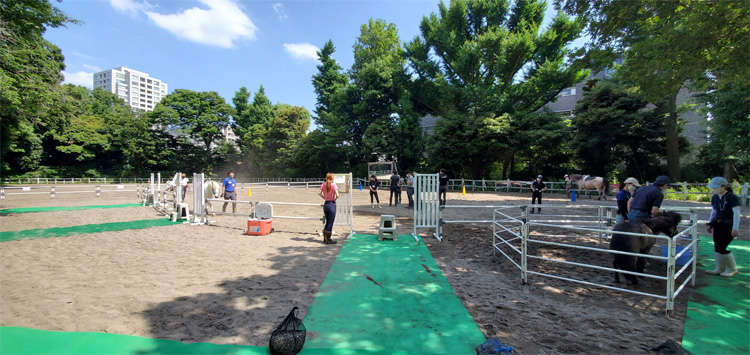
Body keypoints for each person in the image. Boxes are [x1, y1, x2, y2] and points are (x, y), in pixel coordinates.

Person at [705, 177, 740, 277]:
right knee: (717, 246)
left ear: (723, 187)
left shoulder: (732, 197)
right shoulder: (715, 197)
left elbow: (736, 212)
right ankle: (720, 268)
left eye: (715, 187)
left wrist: (735, 227)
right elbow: (714, 211)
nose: (713, 189)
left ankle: (732, 269)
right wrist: (710, 223)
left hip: (728, 224)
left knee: (722, 246)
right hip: (718, 224)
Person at [318, 172, 340, 244]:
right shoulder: (334, 185)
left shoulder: (323, 184)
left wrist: (324, 197)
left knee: (327, 221)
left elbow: (319, 193)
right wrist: (334, 199)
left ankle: (325, 237)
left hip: (326, 203)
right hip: (331, 204)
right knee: (330, 222)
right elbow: (337, 195)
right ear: (332, 178)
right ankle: (328, 238)